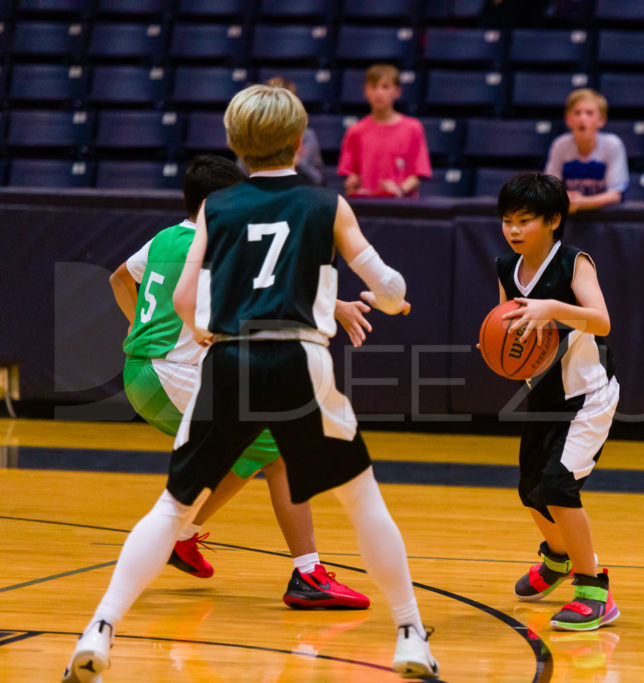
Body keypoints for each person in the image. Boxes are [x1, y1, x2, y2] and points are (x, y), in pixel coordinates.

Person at [63, 84, 439, 682]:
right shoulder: (325, 203)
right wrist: (389, 303)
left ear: (237, 146)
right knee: (362, 498)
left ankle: (100, 628)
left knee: (171, 507)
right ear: (298, 139)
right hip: (299, 363)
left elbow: (186, 299)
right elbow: (387, 283)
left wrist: (209, 333)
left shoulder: (218, 208)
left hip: (229, 363)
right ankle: (410, 633)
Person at [107, 153, 373, 610]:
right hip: (175, 375)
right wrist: (339, 307)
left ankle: (181, 539)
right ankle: (307, 574)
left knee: (249, 451)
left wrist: (140, 332)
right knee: (282, 451)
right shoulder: (222, 242)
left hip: (141, 372)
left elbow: (118, 279)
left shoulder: (165, 237)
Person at [494, 172, 620, 631]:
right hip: (543, 394)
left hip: (587, 393)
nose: (513, 229)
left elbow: (602, 321)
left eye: (524, 220)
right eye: (507, 220)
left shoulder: (573, 263)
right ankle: (558, 558)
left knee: (559, 484)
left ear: (553, 220)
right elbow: (507, 324)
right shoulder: (507, 267)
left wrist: (553, 309)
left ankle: (594, 590)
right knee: (530, 488)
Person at [337, 64, 432, 198]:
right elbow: (351, 173)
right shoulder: (355, 131)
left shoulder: (413, 128)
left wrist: (399, 190)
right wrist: (352, 183)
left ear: (397, 91)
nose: (379, 93)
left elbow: (418, 173)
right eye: (374, 87)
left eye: (385, 87)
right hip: (367, 205)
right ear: (366, 91)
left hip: (403, 207)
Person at [543, 88, 629, 213]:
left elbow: (615, 195)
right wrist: (565, 199)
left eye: (589, 113)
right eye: (577, 113)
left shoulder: (613, 145)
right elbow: (550, 190)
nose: (582, 118)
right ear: (568, 120)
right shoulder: (560, 145)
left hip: (603, 219)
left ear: (601, 120)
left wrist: (582, 203)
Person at [237, 77, 327, 186]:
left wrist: (299, 163)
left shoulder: (307, 136)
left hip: (298, 196)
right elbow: (241, 179)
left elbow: (318, 180)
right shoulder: (252, 136)